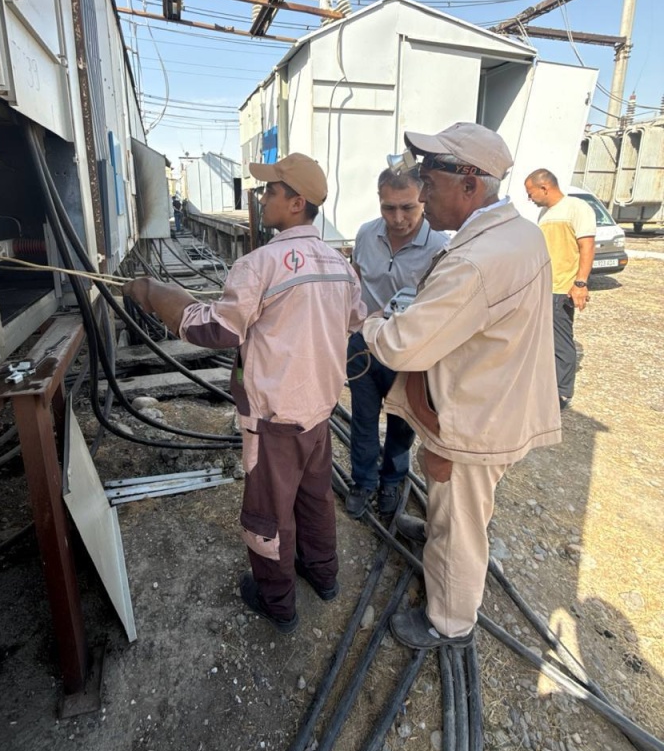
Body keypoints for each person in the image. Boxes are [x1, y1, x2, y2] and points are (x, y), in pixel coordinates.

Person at [123, 153, 366, 634]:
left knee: (267, 515)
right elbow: (355, 320)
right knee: (315, 499)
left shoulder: (260, 264)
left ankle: (277, 602)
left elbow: (217, 330)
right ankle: (324, 576)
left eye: (270, 191)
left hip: (274, 419)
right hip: (318, 412)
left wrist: (159, 297)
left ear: (296, 203)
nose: (261, 197)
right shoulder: (341, 265)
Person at [362, 122, 561, 649]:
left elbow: (403, 345)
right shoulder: (519, 234)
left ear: (470, 185)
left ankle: (448, 621)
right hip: (496, 398)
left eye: (430, 181)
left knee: (460, 521)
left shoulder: (475, 260)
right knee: (459, 508)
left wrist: (370, 324)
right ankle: (437, 544)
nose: (421, 192)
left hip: (473, 417)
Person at [345, 167, 447, 519]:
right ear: (379, 202)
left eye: (408, 208)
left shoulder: (440, 246)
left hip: (409, 353)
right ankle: (363, 481)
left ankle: (392, 480)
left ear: (423, 201)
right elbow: (356, 281)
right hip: (364, 348)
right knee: (362, 420)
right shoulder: (365, 235)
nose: (398, 218)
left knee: (403, 424)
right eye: (390, 208)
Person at [524, 169, 596, 410]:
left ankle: (561, 393)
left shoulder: (576, 207)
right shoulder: (545, 214)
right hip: (543, 286)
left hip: (561, 288)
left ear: (544, 187)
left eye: (530, 193)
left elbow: (586, 246)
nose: (529, 198)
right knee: (541, 340)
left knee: (560, 341)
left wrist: (580, 283)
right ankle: (545, 386)